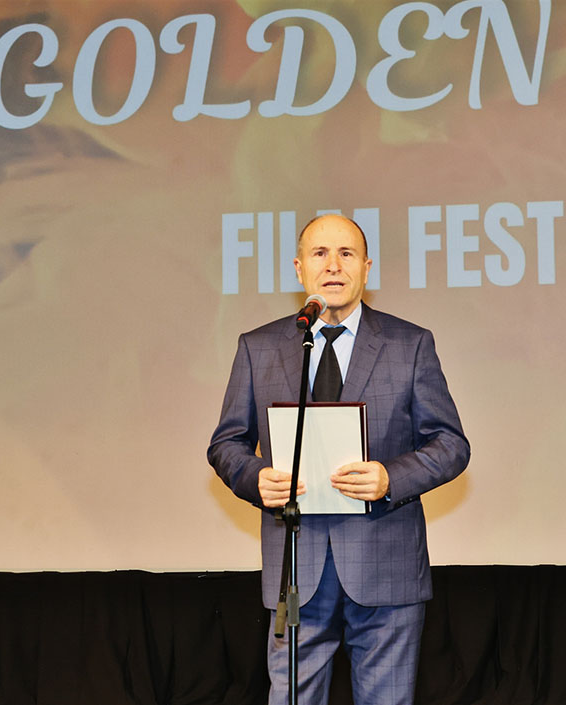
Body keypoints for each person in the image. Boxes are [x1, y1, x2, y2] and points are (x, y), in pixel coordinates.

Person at [208, 213, 470, 705]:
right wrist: (255, 477)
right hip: (296, 568)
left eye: (346, 254)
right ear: (299, 268)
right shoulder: (258, 348)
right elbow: (226, 444)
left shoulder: (410, 344)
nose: (333, 265)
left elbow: (451, 444)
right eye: (320, 254)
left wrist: (391, 477)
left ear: (366, 268)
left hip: (386, 564)